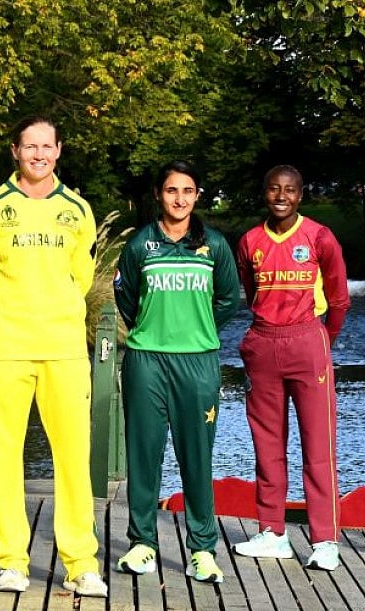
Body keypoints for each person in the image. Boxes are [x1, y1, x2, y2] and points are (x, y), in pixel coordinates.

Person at [0, 115, 107, 597]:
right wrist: (9, 312)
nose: (39, 155)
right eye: (30, 147)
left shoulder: (77, 210)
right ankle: (11, 560)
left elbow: (81, 278)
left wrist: (56, 307)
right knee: (4, 455)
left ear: (59, 151)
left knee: (72, 457)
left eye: (47, 146)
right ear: (15, 152)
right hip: (6, 349)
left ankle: (81, 562)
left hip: (64, 349)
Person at [113, 160, 240, 583]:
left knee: (197, 457)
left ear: (197, 195)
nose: (179, 198)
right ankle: (142, 544)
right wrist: (155, 330)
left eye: (188, 191)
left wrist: (196, 330)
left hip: (198, 361)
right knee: (144, 454)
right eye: (171, 191)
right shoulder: (140, 246)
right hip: (147, 359)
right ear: (158, 195)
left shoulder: (215, 246)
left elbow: (227, 301)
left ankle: (202, 549)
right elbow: (127, 299)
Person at [232, 165, 351, 571]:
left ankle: (324, 540)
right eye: (273, 189)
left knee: (318, 445)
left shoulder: (319, 237)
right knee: (267, 443)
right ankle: (272, 532)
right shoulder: (249, 241)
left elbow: (338, 301)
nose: (281, 196)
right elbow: (250, 291)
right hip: (263, 343)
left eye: (289, 190)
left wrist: (319, 341)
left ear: (301, 195)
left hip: (308, 340)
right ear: (264, 193)